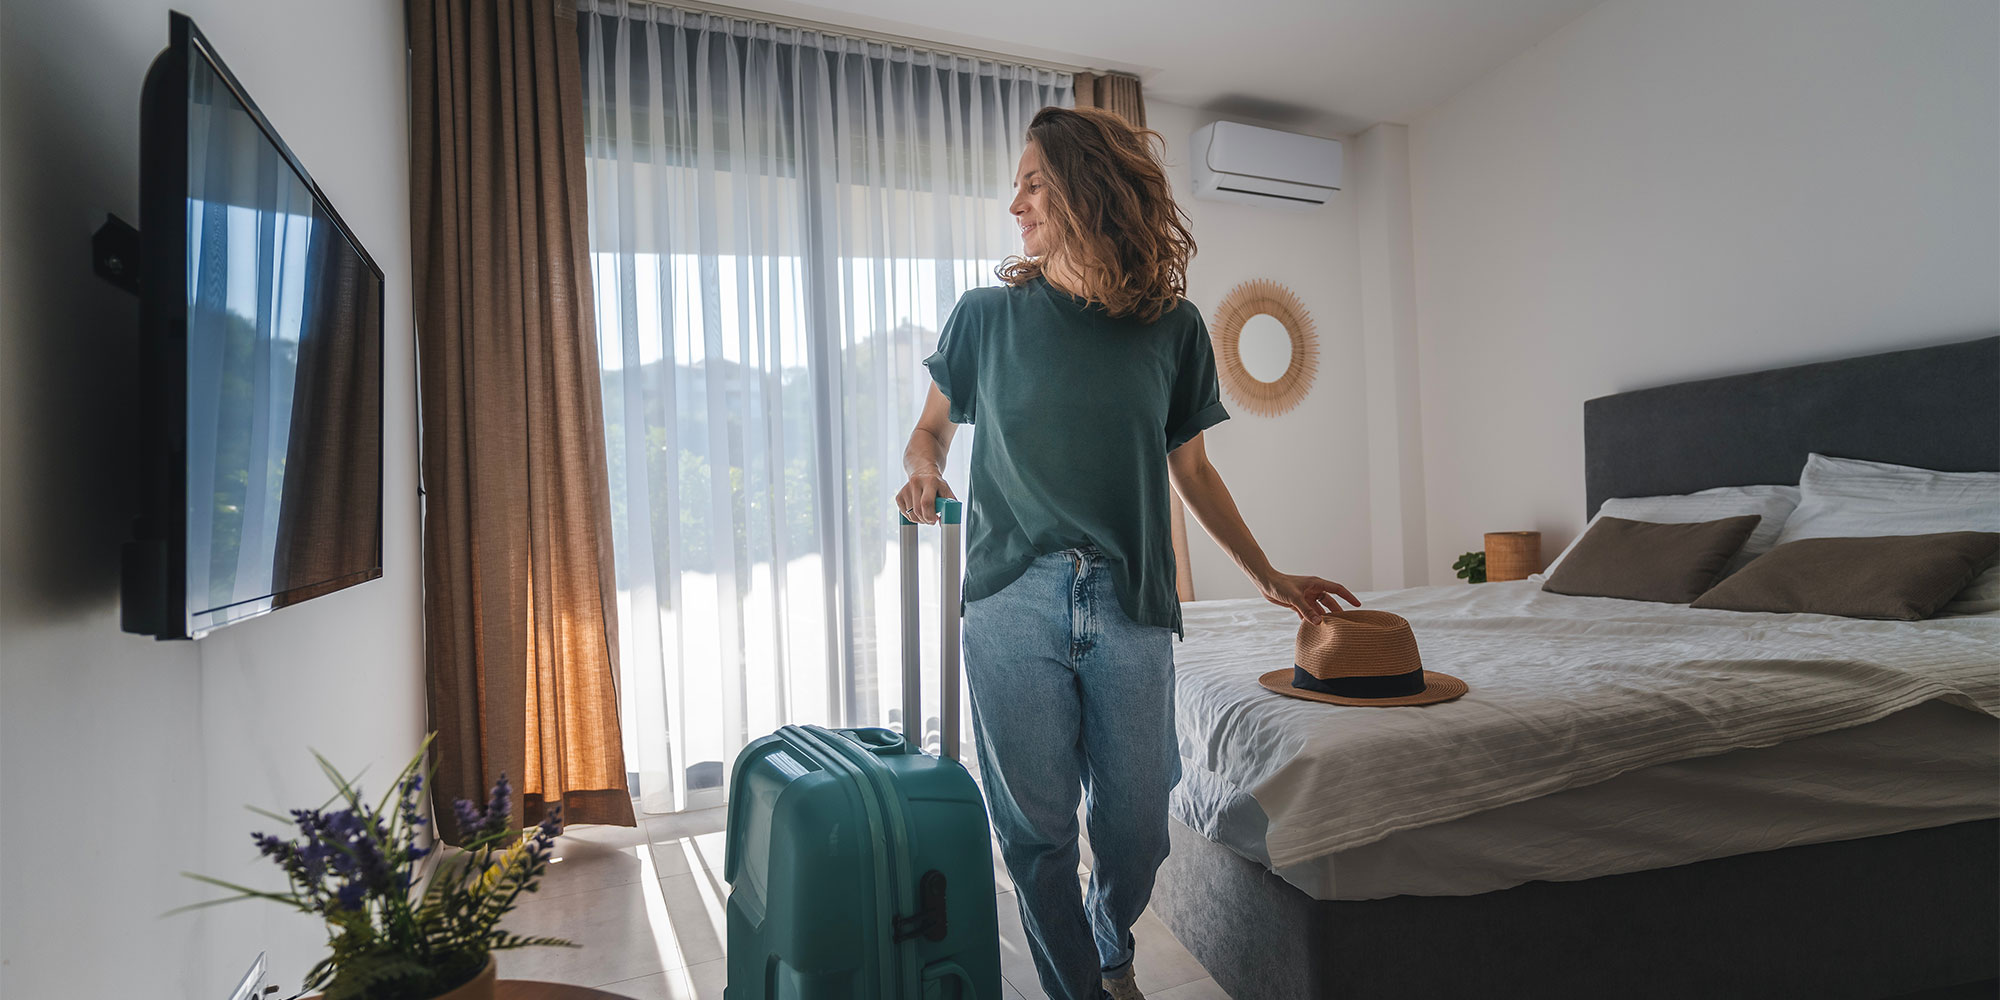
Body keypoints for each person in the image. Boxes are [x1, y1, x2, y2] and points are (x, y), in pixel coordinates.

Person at [895, 105, 1357, 1000]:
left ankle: (1110, 941)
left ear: (1083, 188)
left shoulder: (1174, 329)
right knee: (1036, 838)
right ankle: (1086, 984)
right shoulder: (986, 318)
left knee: (1141, 829)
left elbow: (1195, 471)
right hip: (1011, 597)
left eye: (1033, 182)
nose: (1014, 202)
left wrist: (1269, 574)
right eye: (1017, 184)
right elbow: (928, 433)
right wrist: (920, 474)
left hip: (1133, 602)